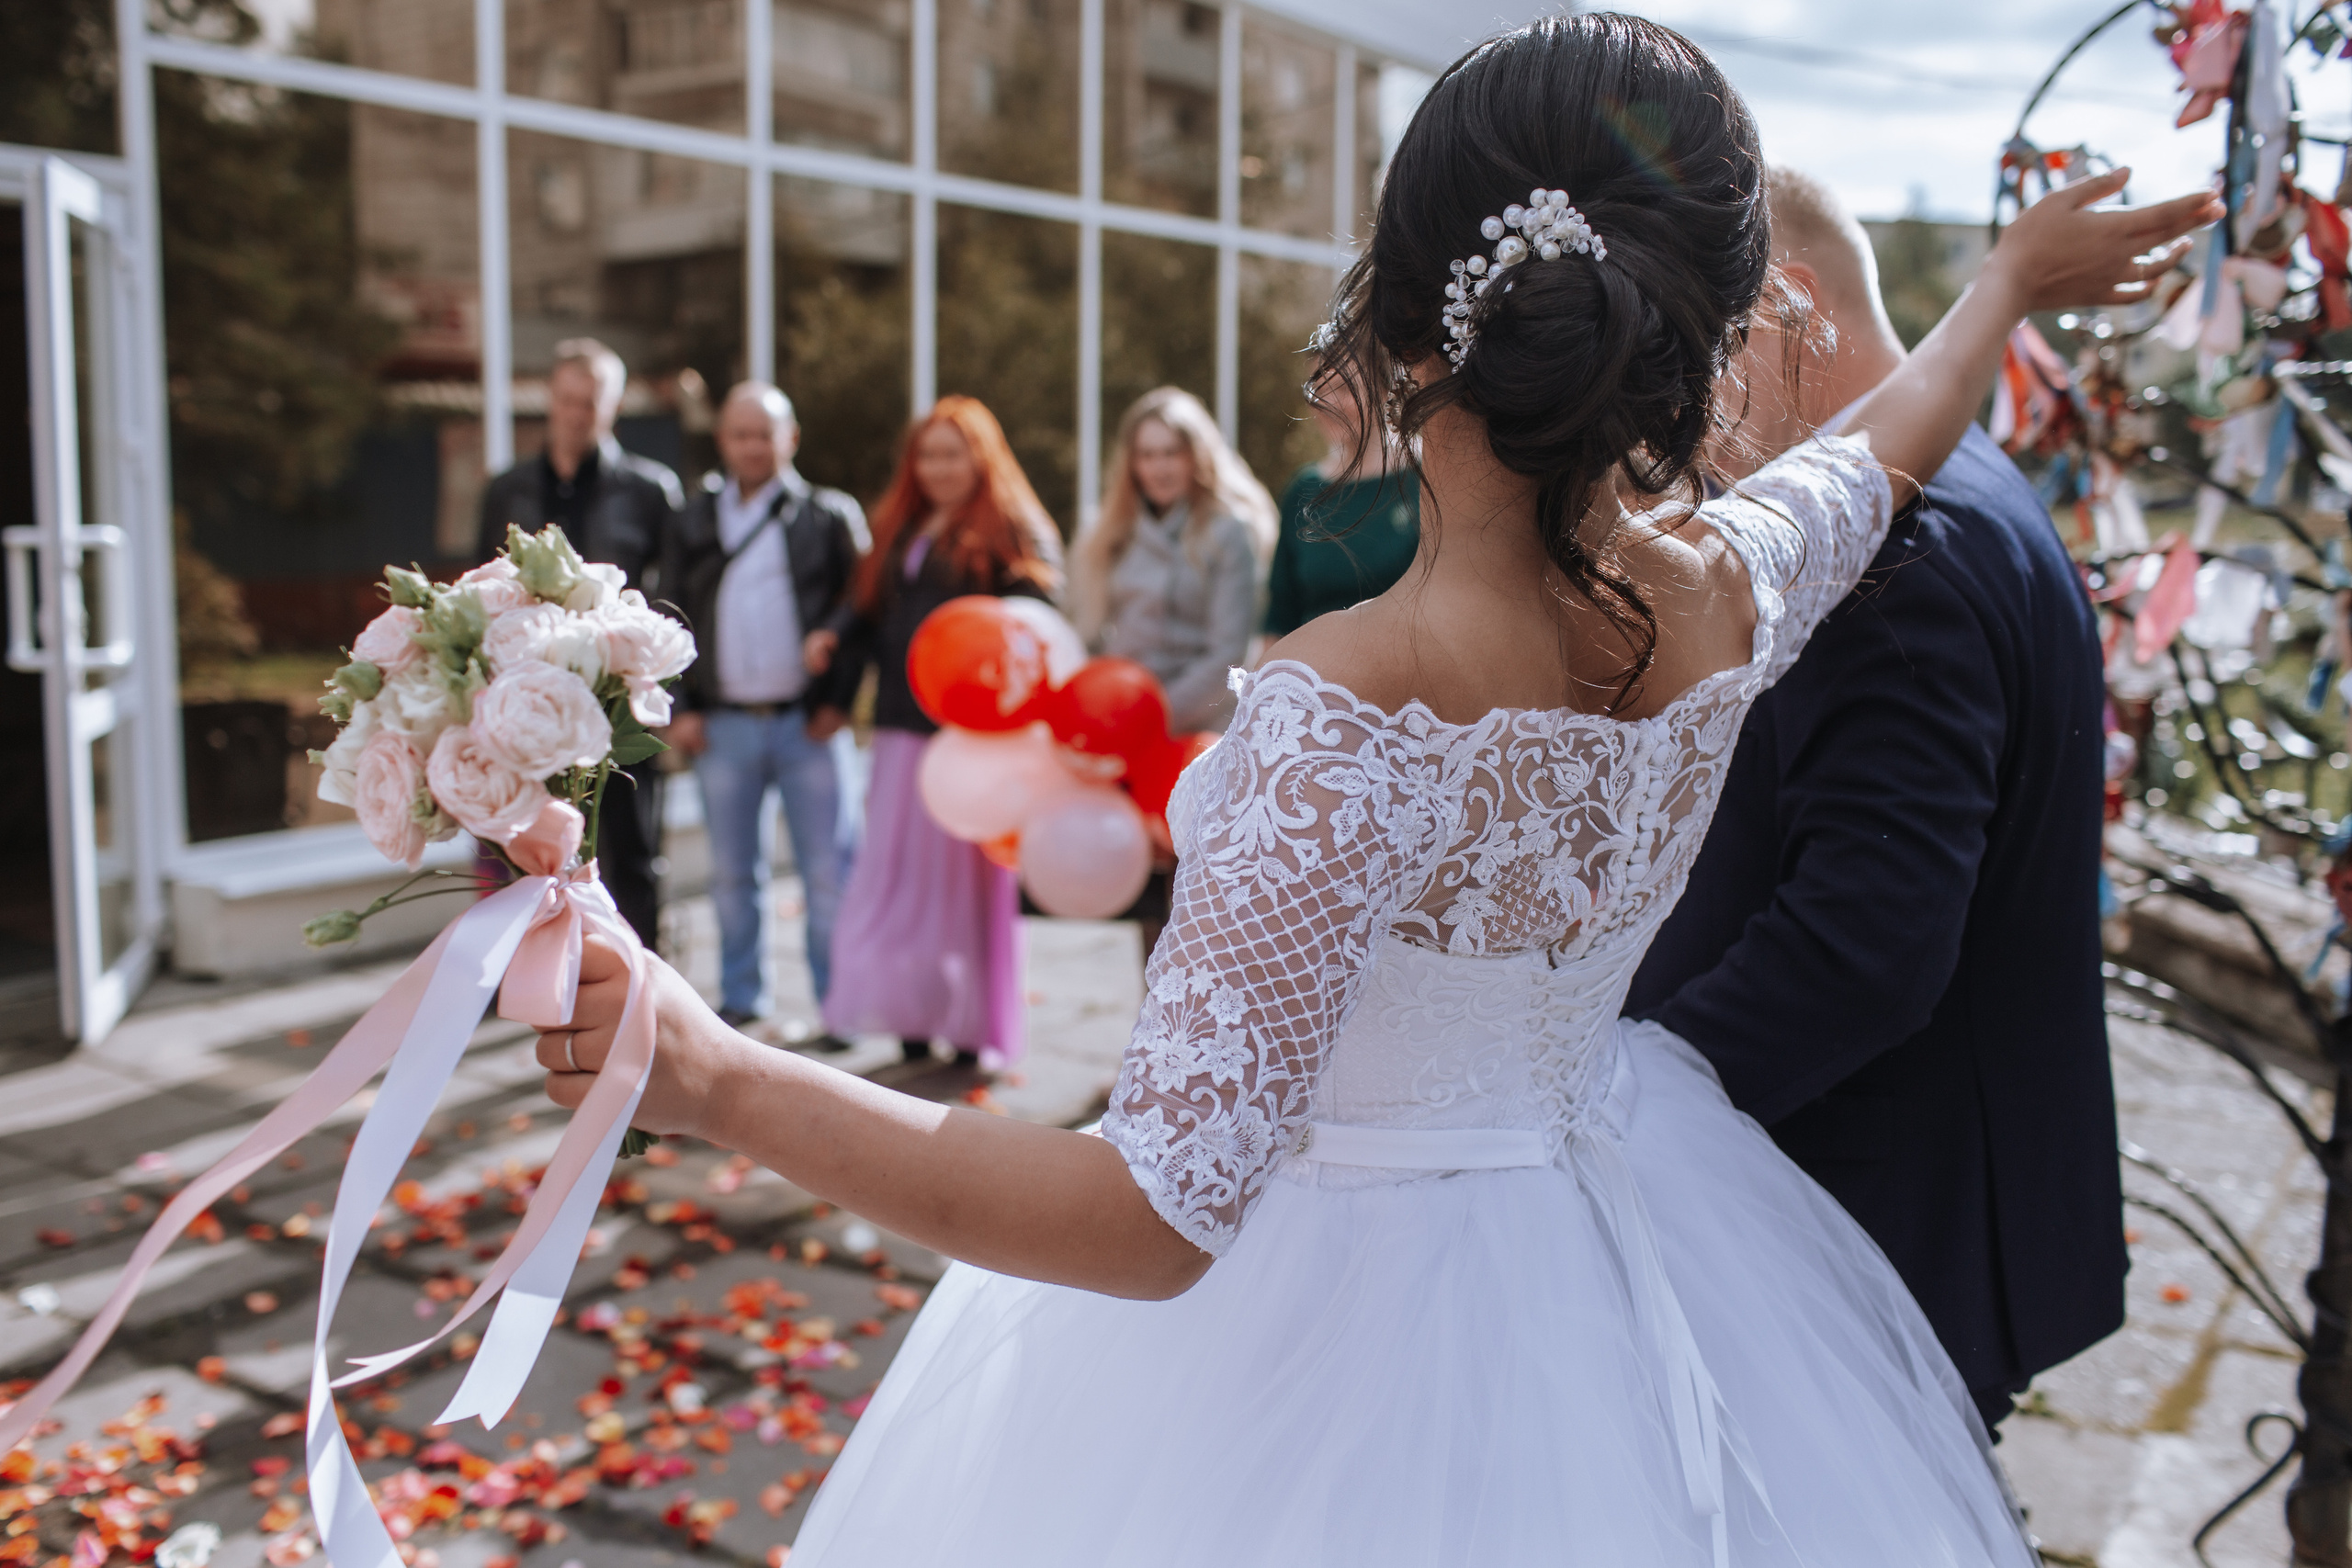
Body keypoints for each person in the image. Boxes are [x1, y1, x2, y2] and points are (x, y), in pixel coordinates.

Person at [536, 15, 2214, 1562]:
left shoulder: (1350, 704)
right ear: (1702, 336)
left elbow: (1151, 1216)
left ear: (1402, 323)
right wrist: (1999, 285)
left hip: (1340, 1341)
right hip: (1615, 1272)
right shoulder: (1729, 593)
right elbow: (1885, 443)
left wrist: (720, 1074)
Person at [1622, 166, 2125, 1436]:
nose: (1665, 416)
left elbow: (1862, 944)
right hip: (1918, 1194)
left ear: (1790, 311)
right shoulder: (1971, 484)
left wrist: (1624, 1094)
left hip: (1877, 1218)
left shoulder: (1893, 560)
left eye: (1683, 358)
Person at [811, 396, 1064, 1068]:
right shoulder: (902, 527)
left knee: (962, 894)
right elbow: (863, 608)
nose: (938, 467)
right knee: (895, 884)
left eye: (952, 453)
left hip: (971, 746)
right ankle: (911, 1018)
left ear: (979, 458)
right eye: (927, 454)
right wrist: (830, 640)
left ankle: (966, 1028)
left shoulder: (1013, 528)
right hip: (899, 731)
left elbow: (1038, 618)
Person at [659, 382, 868, 1042]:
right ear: (724, 440)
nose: (753, 445)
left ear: (791, 439)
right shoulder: (693, 518)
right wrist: (681, 707)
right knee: (730, 873)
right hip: (723, 725)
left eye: (765, 433)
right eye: (741, 434)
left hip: (808, 724)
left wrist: (838, 701)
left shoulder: (828, 516)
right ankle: (744, 997)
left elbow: (860, 611)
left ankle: (841, 1005)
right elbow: (667, 613)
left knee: (830, 872)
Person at [477, 337, 683, 947]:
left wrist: (670, 704)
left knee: (632, 850)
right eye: (567, 399)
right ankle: (523, 969)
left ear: (612, 406)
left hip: (614, 698)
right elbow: (483, 589)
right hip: (526, 699)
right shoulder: (506, 489)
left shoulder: (651, 491)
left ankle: (639, 978)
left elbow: (671, 605)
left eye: (590, 402)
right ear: (550, 399)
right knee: (524, 843)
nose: (577, 413)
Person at [1070, 387, 1274, 732]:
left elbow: (1227, 656)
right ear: (1132, 462)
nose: (1158, 467)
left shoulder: (1230, 532)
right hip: (1119, 716)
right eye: (1147, 455)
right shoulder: (1108, 532)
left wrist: (1155, 714)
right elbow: (1088, 635)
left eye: (1171, 453)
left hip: (1199, 725)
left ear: (1196, 456)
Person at [1262, 368, 1420, 636]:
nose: (1328, 402)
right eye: (1318, 389)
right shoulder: (1302, 490)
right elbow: (1280, 615)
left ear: (1384, 390)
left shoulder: (1424, 479)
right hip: (1315, 669)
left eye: (1344, 388)